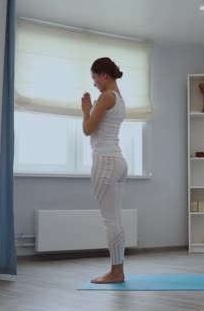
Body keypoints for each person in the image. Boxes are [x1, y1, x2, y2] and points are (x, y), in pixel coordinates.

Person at [81, 57, 128, 284]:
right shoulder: (119, 99)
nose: (94, 84)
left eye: (95, 78)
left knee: (110, 221)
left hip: (105, 162)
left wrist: (86, 111)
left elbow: (88, 129)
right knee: (116, 220)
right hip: (118, 161)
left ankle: (116, 272)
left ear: (104, 75)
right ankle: (118, 271)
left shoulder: (106, 97)